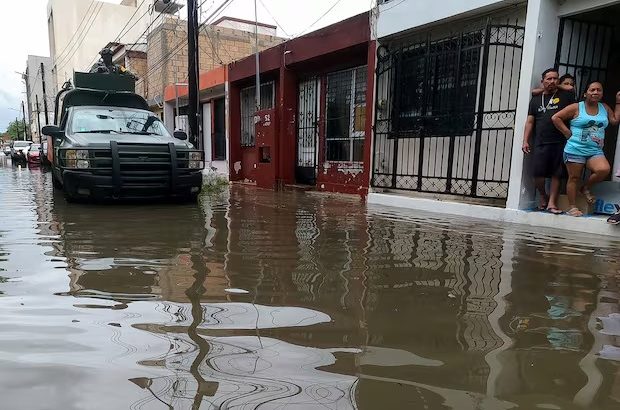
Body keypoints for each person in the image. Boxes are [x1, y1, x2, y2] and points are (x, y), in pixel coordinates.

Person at [551, 81, 620, 217]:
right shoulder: (577, 107)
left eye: (598, 90)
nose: (595, 92)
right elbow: (556, 118)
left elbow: (614, 120)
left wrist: (618, 102)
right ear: (585, 93)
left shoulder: (604, 107)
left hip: (595, 150)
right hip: (575, 149)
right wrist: (566, 133)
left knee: (603, 169)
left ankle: (585, 187)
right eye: (592, 90)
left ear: (602, 93)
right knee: (574, 177)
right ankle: (572, 206)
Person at [523, 68, 576, 214]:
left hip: (560, 141)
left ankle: (552, 203)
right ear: (542, 81)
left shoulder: (565, 96)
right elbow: (529, 122)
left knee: (556, 173)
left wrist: (555, 85)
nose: (552, 81)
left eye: (555, 78)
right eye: (549, 79)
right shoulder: (535, 100)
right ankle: (543, 195)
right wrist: (525, 141)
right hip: (540, 141)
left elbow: (571, 88)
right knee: (537, 174)